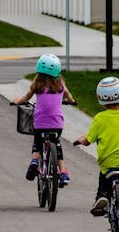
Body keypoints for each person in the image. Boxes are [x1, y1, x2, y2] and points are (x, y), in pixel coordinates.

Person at [74, 77, 119, 232]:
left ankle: (102, 196)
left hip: (108, 161)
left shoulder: (100, 119)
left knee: (104, 175)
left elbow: (88, 140)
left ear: (100, 97)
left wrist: (81, 139)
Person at [12, 54, 76, 187]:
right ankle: (63, 172)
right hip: (56, 124)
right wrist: (71, 101)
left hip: (40, 123)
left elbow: (25, 98)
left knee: (38, 141)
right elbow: (69, 96)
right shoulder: (61, 85)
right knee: (56, 144)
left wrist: (17, 101)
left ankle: (35, 161)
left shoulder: (37, 85)